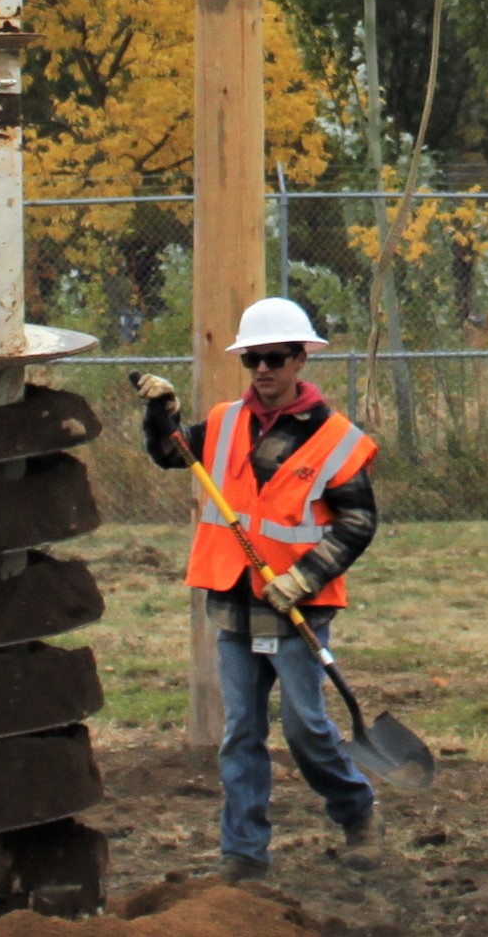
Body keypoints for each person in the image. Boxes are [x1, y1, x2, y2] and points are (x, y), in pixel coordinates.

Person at [134, 295, 380, 879]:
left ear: (301, 360)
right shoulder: (223, 424)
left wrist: (304, 576)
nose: (263, 370)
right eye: (253, 360)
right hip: (234, 604)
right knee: (240, 732)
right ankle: (242, 854)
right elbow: (171, 454)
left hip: (297, 609)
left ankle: (357, 810)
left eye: (274, 358)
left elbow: (358, 521)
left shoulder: (337, 439)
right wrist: (160, 413)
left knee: (306, 728)